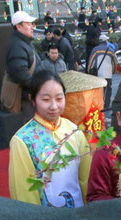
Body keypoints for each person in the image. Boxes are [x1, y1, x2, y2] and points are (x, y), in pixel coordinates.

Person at [8, 70, 91, 207]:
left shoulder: (74, 131)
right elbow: (24, 193)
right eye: (46, 99)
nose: (54, 106)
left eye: (59, 99)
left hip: (79, 214)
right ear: (32, 99)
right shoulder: (22, 141)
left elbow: (86, 178)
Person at [5, 11, 41, 118]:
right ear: (19, 27)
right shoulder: (17, 45)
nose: (32, 27)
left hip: (32, 95)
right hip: (28, 98)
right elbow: (20, 73)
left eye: (32, 24)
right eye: (29, 24)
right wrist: (38, 87)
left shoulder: (23, 42)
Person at [87, 35, 119, 113]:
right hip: (108, 73)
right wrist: (113, 71)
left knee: (98, 90)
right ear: (106, 41)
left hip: (98, 73)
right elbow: (115, 62)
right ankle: (106, 105)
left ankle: (98, 104)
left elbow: (91, 61)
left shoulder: (95, 50)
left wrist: (89, 71)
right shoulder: (110, 50)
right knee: (108, 89)